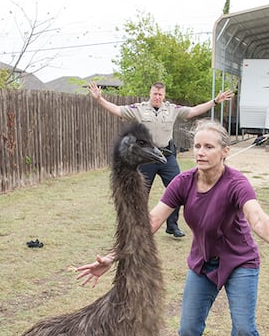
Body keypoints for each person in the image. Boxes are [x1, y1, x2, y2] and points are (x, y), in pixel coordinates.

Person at [76, 119, 269, 336]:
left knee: (244, 331)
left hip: (239, 263)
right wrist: (112, 257)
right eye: (197, 146)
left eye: (209, 147)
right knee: (187, 332)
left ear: (225, 151)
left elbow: (256, 218)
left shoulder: (236, 183)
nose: (200, 152)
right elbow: (152, 220)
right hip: (202, 264)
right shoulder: (183, 182)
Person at [87, 80, 234, 238]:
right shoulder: (139, 109)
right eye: (154, 94)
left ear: (164, 95)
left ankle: (172, 226)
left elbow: (193, 111)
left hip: (167, 157)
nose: (157, 97)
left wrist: (215, 101)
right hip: (146, 159)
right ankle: (138, 228)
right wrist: (99, 99)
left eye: (160, 94)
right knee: (140, 194)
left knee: (178, 189)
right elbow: (117, 110)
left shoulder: (172, 109)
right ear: (150, 94)